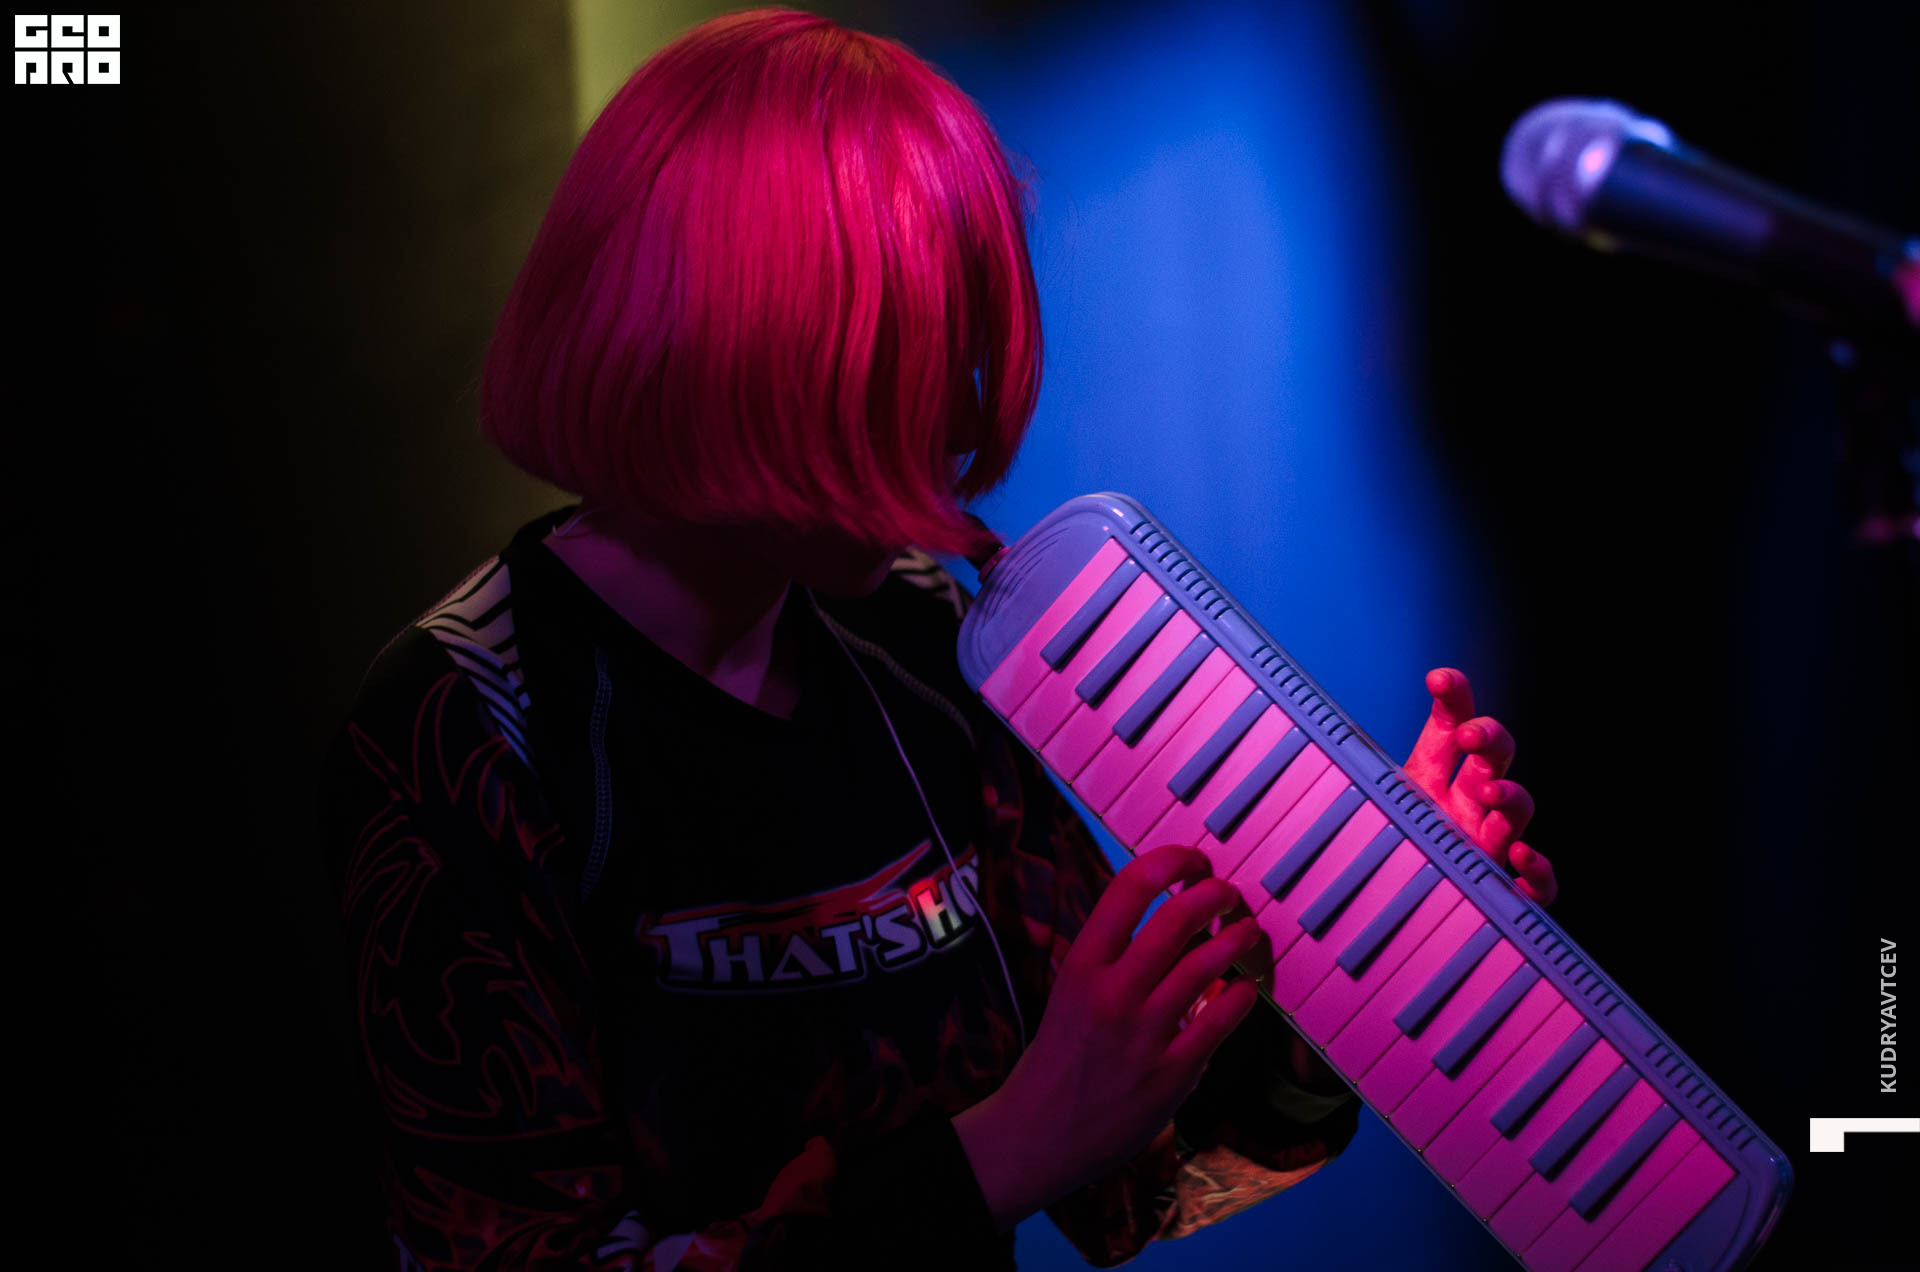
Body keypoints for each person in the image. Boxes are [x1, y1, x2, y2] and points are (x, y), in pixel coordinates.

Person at [315, 8, 1558, 1269]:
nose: (962, 425)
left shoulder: (925, 637)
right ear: (752, 341)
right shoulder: (473, 717)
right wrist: (1006, 1149)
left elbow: (1141, 1182)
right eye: (915, 352)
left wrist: (1394, 938)